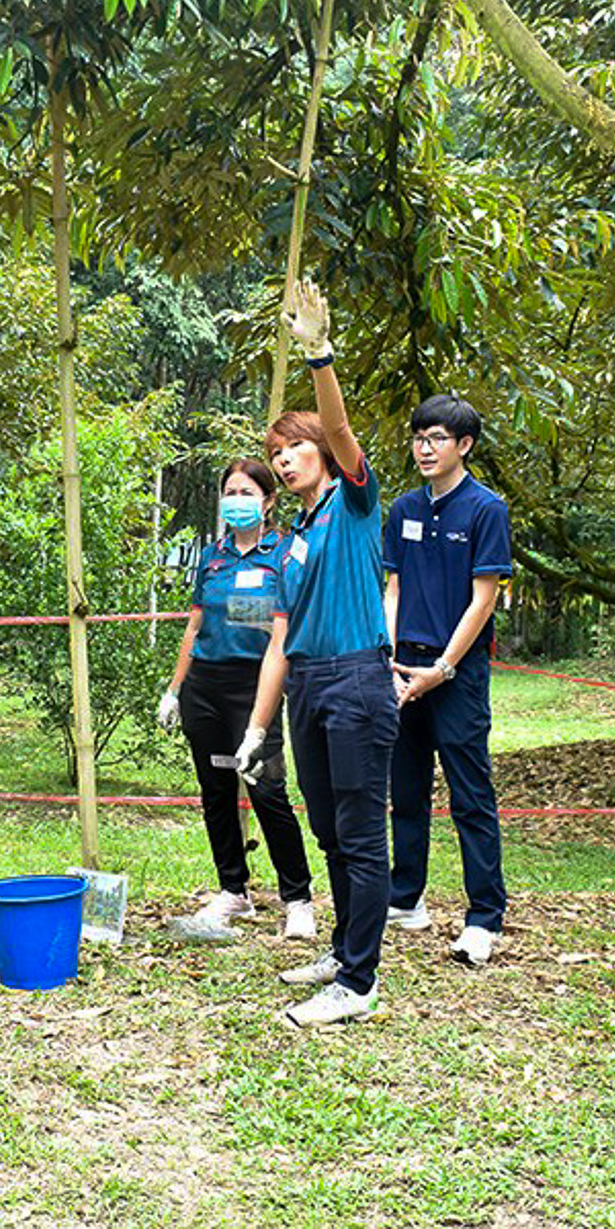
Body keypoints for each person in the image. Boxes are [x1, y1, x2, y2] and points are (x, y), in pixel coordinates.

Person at [242, 279, 397, 1027]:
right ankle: (343, 950)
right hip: (307, 685)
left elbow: (341, 434)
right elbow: (278, 640)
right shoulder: (290, 541)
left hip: (360, 679)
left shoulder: (356, 504)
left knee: (364, 835)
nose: (285, 459)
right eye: (276, 452)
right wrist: (257, 729)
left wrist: (319, 356)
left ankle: (359, 984)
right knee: (330, 831)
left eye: (294, 446)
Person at [158, 459, 315, 937]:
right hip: (205, 687)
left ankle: (298, 898)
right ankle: (234, 890)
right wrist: (174, 688)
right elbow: (196, 624)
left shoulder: (286, 553)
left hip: (256, 687)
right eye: (230, 492)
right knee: (217, 791)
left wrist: (254, 614)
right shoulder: (212, 556)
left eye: (247, 492)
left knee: (266, 790)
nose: (237, 501)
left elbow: (282, 626)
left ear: (268, 502)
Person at [386, 394, 513, 964]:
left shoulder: (487, 510)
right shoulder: (403, 509)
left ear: (464, 445)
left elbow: (482, 600)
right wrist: (390, 659)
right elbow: (393, 588)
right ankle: (405, 897)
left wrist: (441, 669)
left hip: (455, 673)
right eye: (418, 437)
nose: (424, 447)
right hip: (401, 668)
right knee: (404, 791)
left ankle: (484, 916)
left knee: (470, 795)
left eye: (437, 438)